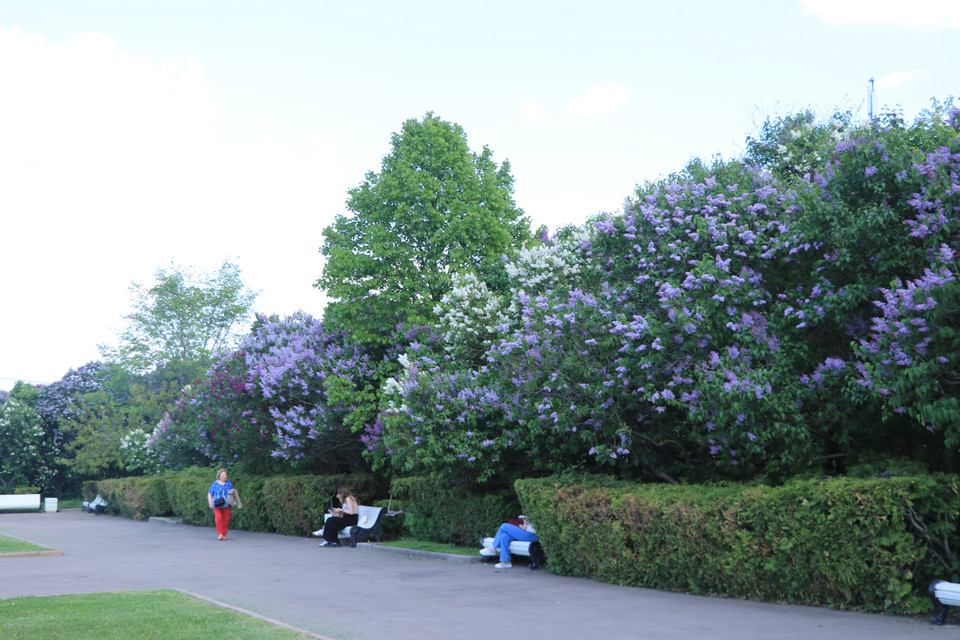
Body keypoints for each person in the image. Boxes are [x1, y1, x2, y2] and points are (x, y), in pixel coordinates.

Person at [207, 468, 241, 541]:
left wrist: (232, 491)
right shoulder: (215, 483)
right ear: (219, 476)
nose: (225, 477)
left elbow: (232, 491)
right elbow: (210, 493)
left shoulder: (228, 483)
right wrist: (210, 502)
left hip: (227, 504)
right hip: (217, 504)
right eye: (223, 475)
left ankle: (224, 534)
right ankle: (220, 534)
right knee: (218, 518)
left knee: (226, 519)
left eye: (225, 475)